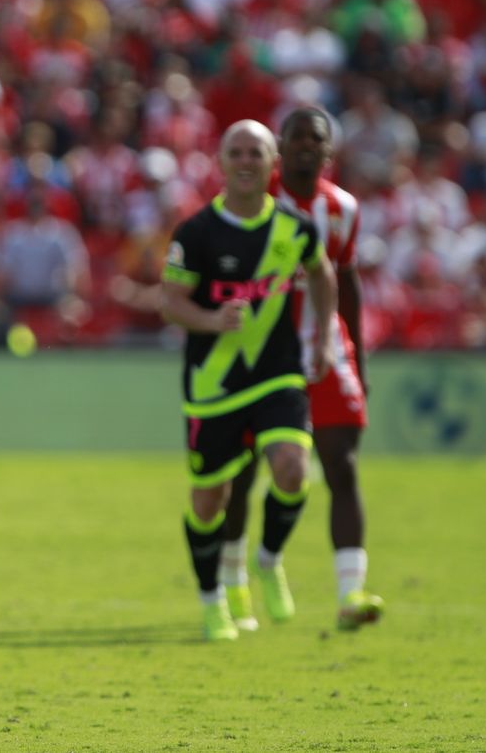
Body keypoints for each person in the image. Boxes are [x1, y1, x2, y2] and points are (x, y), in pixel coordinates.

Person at [160, 120, 338, 642]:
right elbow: (169, 301)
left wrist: (324, 339)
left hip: (276, 372)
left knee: (292, 468)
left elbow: (323, 274)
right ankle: (213, 598)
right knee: (209, 501)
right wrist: (213, 321)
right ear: (220, 160)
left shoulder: (296, 228)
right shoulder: (195, 233)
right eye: (235, 151)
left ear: (273, 161)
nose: (245, 160)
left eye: (255, 152)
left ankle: (267, 559)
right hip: (213, 383)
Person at [217, 108, 386, 632]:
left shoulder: (343, 209)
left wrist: (357, 350)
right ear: (280, 149)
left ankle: (350, 592)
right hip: (258, 355)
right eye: (297, 138)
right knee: (241, 473)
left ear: (329, 152)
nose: (307, 147)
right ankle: (236, 579)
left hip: (325, 350)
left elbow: (348, 282)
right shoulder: (252, 203)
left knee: (342, 465)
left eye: (317, 139)